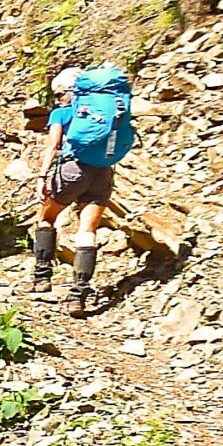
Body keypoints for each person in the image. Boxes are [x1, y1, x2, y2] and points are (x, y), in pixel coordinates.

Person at [29, 63, 138, 317]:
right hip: (103, 171)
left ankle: (42, 278)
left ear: (69, 92)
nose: (57, 100)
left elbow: (53, 144)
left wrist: (42, 175)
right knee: (87, 231)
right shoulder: (106, 108)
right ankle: (78, 295)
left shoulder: (62, 113)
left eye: (58, 94)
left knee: (46, 217)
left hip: (73, 170)